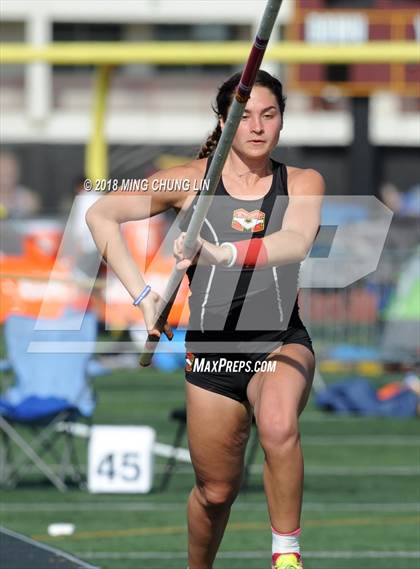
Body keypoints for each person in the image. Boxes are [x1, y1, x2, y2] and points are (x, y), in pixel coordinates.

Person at [86, 70, 324, 569]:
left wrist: (222, 253)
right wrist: (145, 297)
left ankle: (286, 554)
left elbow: (296, 241)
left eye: (270, 114)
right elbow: (100, 214)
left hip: (279, 342)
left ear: (282, 121)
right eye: (246, 116)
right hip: (212, 353)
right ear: (226, 120)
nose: (258, 127)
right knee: (215, 492)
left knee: (279, 425)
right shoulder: (190, 181)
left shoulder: (301, 182)